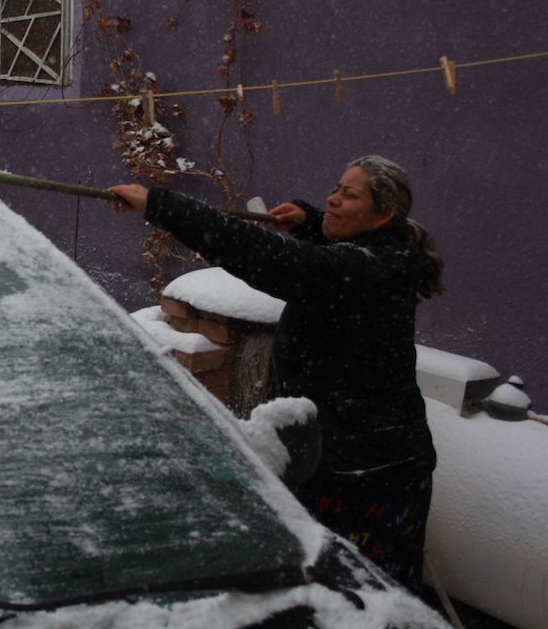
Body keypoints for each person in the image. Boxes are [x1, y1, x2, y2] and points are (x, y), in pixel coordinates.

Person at [109, 155, 444, 596]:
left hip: (367, 474)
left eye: (350, 194)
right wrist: (313, 221)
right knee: (344, 590)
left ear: (383, 215)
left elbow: (271, 258)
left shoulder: (368, 270)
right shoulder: (385, 253)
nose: (334, 198)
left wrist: (160, 206)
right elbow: (334, 255)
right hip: (356, 457)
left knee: (359, 596)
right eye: (337, 188)